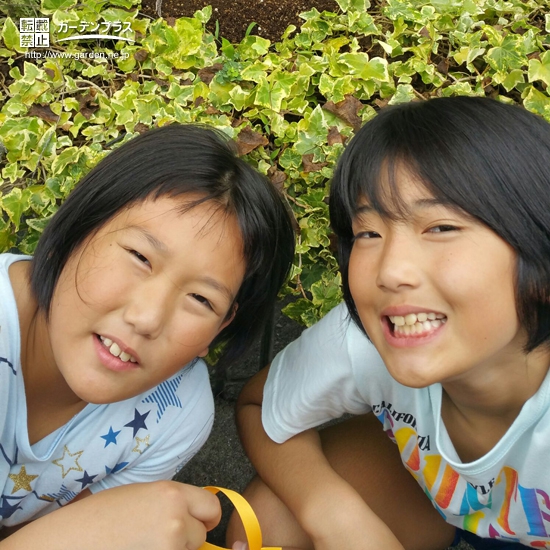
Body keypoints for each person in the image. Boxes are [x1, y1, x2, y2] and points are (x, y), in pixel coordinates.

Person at [227, 97, 550, 550]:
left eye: (440, 228)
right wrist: (337, 518)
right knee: (270, 524)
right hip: (438, 508)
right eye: (368, 234)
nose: (390, 271)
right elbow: (260, 409)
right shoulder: (371, 337)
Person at [0, 124, 295, 549]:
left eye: (200, 299)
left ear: (220, 327)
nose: (147, 318)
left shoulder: (173, 415)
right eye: (140, 257)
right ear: (77, 229)